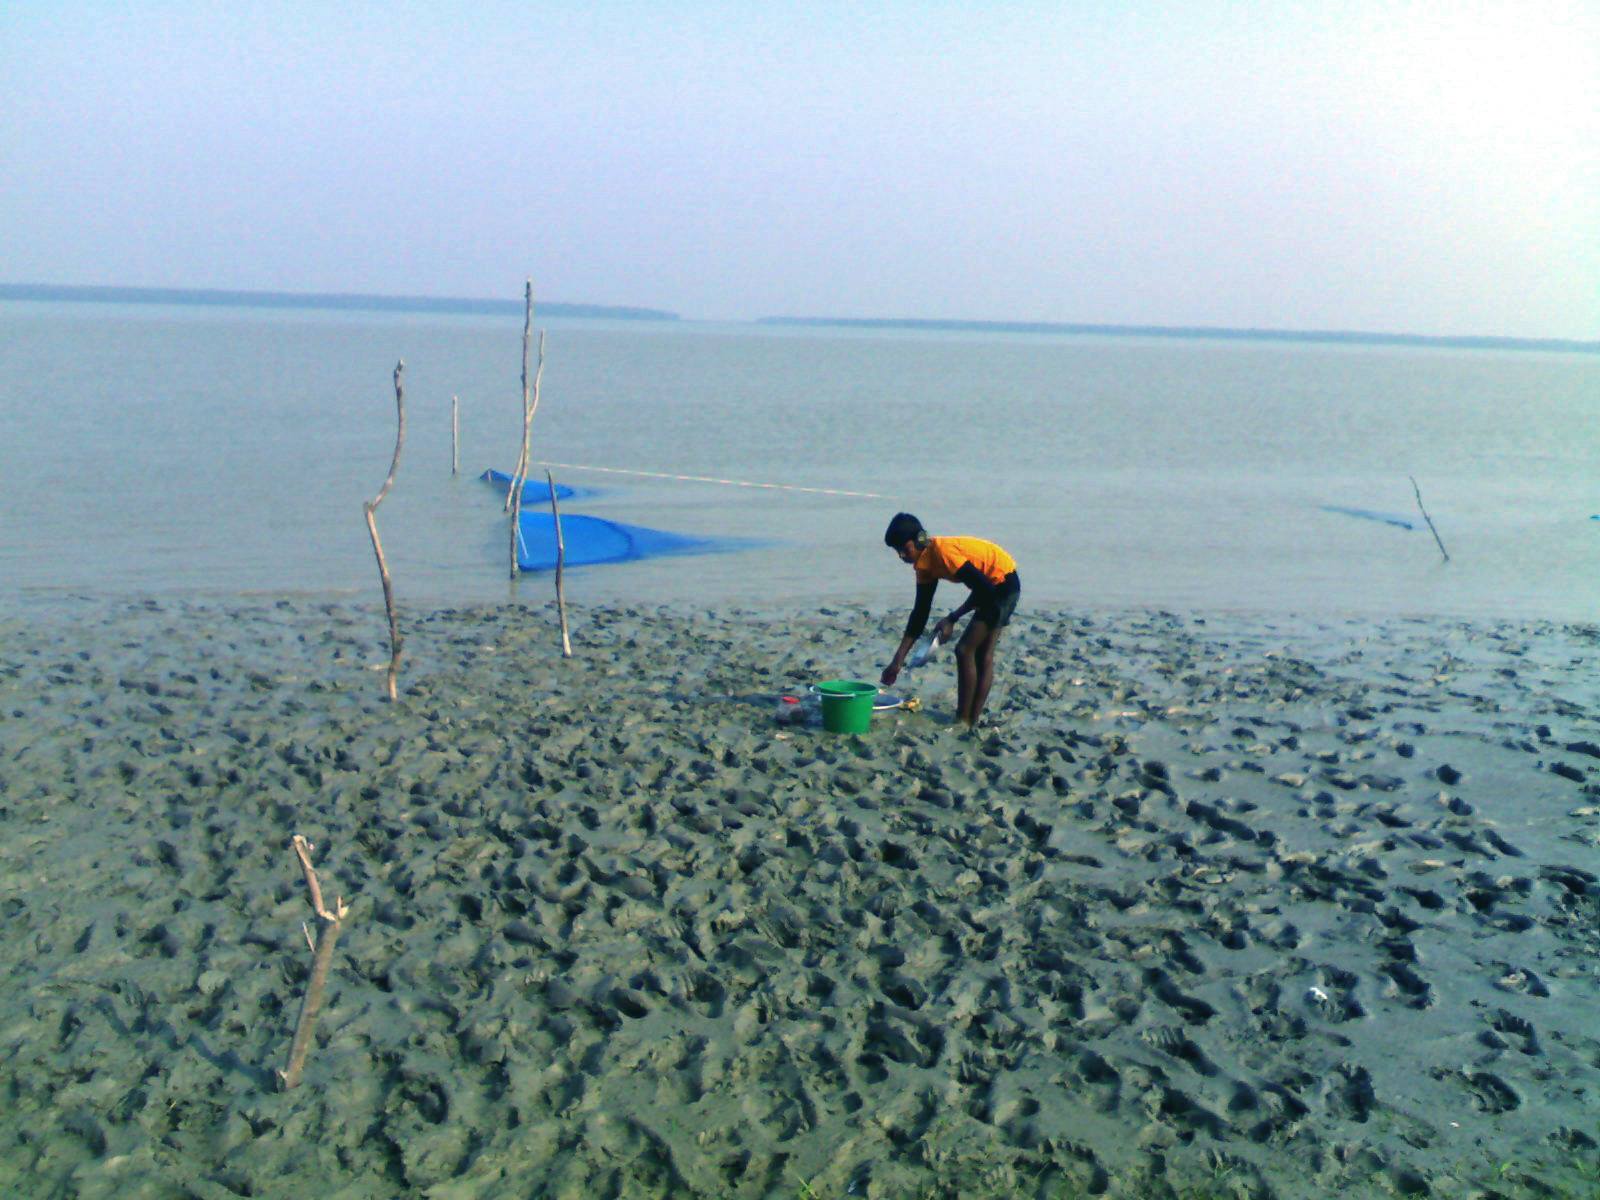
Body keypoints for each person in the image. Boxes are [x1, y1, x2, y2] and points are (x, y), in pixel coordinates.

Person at [880, 512, 1020, 727]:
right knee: (980, 654)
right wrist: (897, 662)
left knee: (965, 650)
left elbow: (984, 589)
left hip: (1002, 585)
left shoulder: (943, 553)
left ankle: (964, 719)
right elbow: (920, 613)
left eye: (905, 549)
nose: (902, 556)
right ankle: (970, 721)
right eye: (897, 551)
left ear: (920, 539)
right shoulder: (924, 566)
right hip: (990, 587)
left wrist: (952, 618)